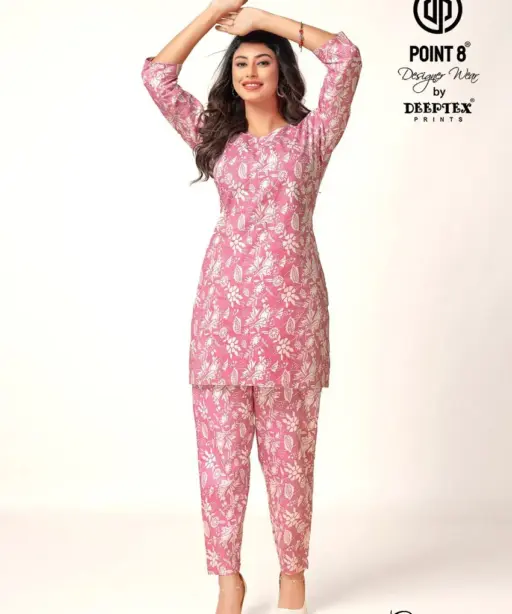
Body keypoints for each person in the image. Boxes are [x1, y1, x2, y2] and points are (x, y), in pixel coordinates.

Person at [141, 2, 362, 612]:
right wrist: (214, 11)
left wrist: (265, 19)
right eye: (241, 62)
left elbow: (346, 57)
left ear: (282, 72)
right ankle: (228, 580)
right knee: (220, 463)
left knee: (291, 461)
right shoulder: (217, 137)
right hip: (222, 320)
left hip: (292, 322)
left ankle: (293, 577)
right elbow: (157, 76)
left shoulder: (313, 136)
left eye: (263, 61)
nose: (250, 71)